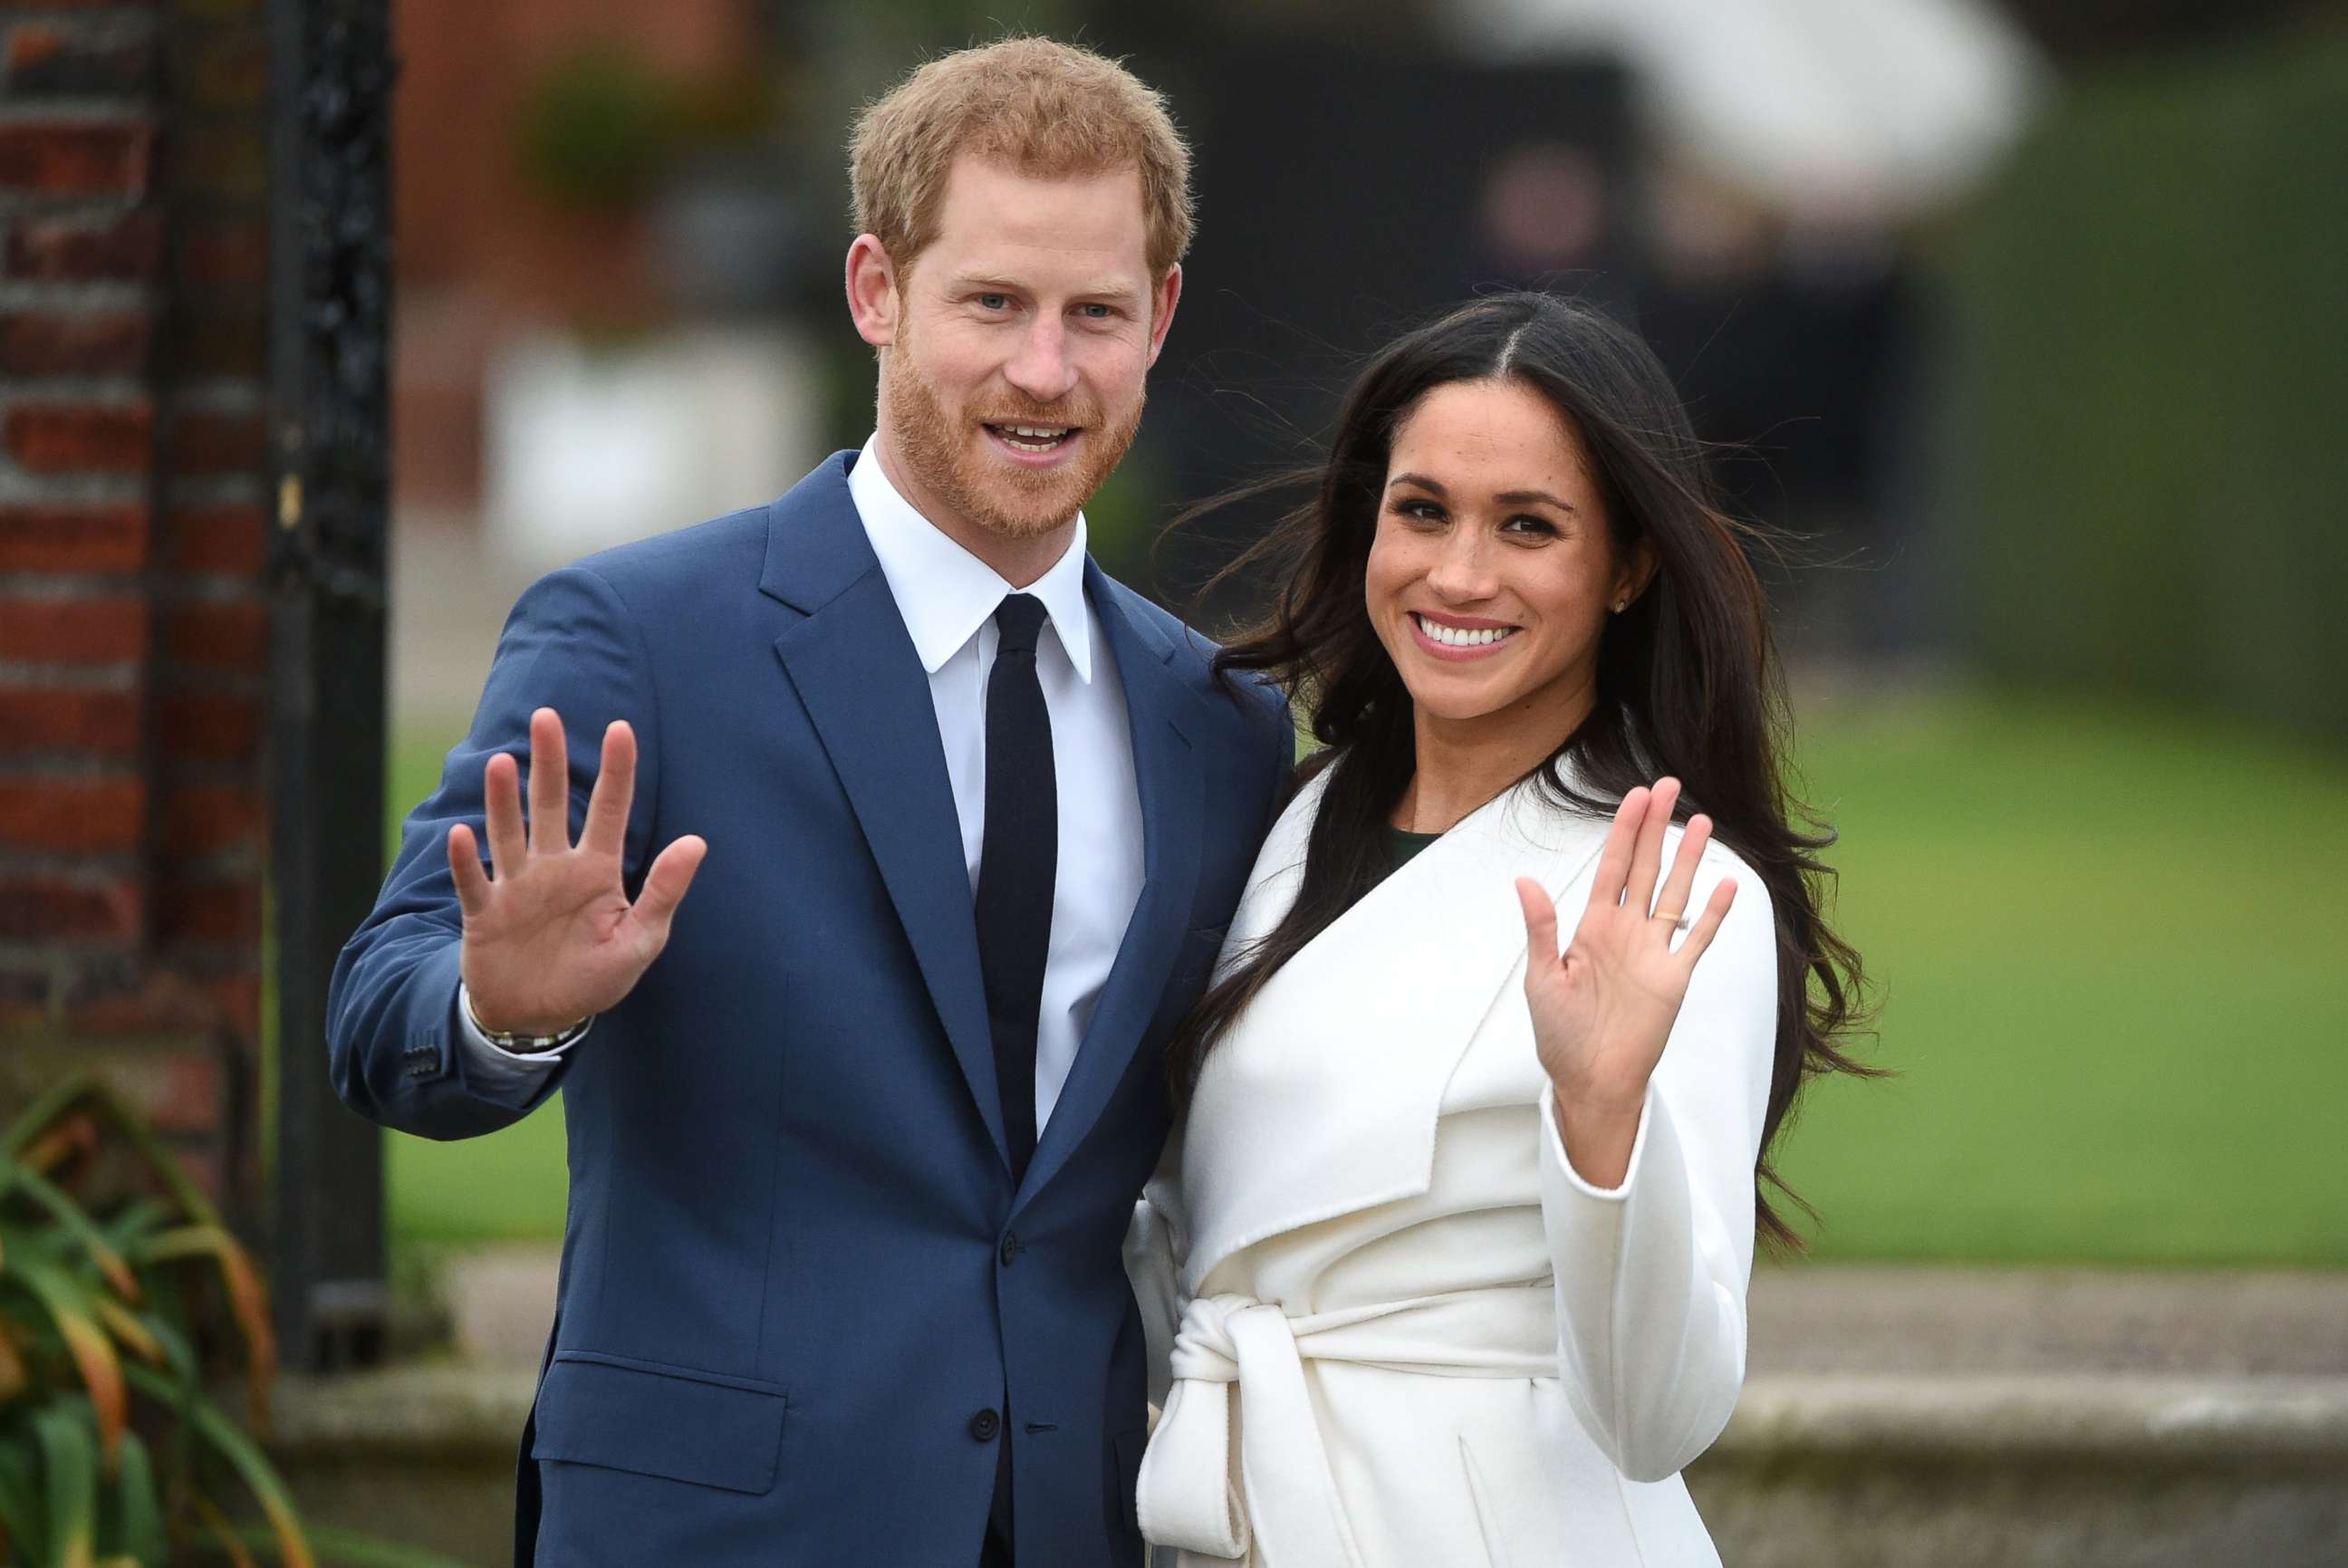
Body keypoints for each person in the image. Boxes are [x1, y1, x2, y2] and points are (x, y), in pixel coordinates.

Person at [328, 38, 1292, 1568]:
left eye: (1093, 313)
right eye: (991, 302)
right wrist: (503, 1010)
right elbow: (381, 1022)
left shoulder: (1222, 727)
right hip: (714, 1530)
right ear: (875, 291)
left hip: (1074, 1527)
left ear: (1158, 319)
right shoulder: (639, 636)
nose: (1044, 371)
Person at [1125, 292, 1871, 1567]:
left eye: (1529, 527)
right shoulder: (1278, 827)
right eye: (1423, 511)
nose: (1460, 575)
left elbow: (1661, 1416)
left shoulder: (1679, 898)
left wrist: (1601, 1111)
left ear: (1628, 566)